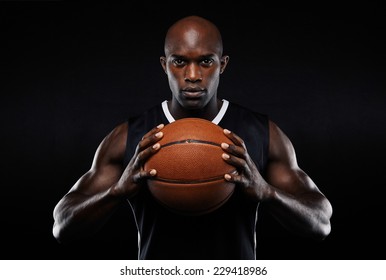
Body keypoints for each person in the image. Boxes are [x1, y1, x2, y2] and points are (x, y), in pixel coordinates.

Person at [52, 15, 333, 260]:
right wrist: (116, 191)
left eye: (206, 61)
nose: (193, 75)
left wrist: (267, 192)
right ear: (165, 65)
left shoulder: (262, 133)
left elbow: (321, 223)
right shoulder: (130, 137)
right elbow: (62, 226)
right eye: (180, 62)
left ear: (222, 64)